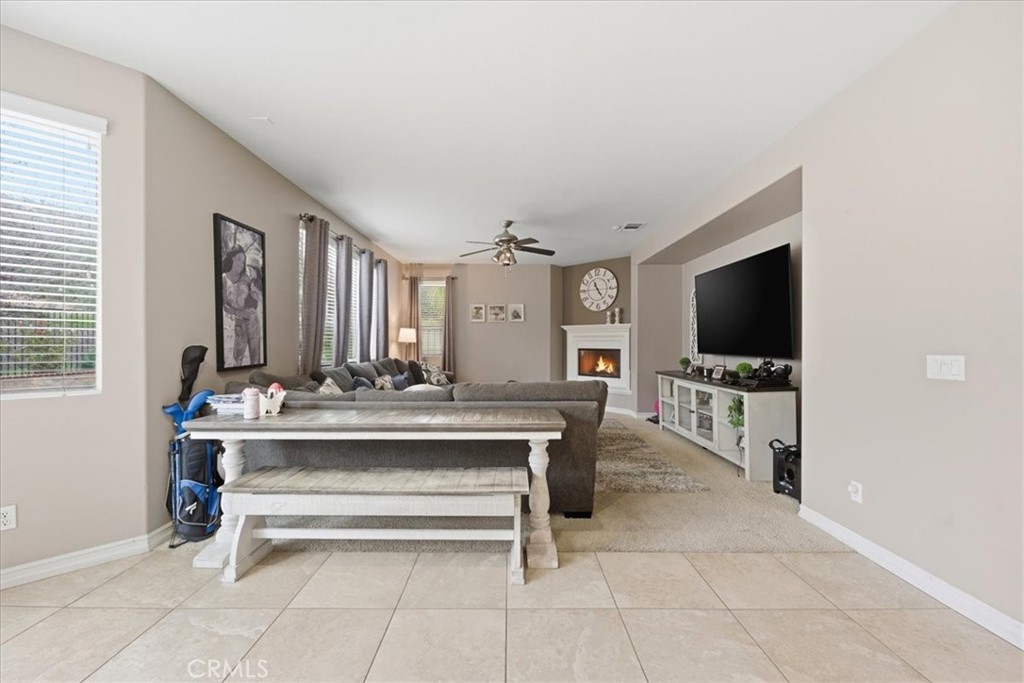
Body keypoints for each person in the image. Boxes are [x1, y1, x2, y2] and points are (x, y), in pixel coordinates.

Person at [221, 246, 262, 366]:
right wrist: (240, 313)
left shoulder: (246, 278)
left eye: (243, 261)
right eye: (239, 259)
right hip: (239, 322)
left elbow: (254, 300)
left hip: (253, 321)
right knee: (237, 359)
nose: (241, 263)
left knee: (256, 359)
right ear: (232, 258)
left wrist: (255, 295)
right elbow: (225, 306)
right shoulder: (224, 278)